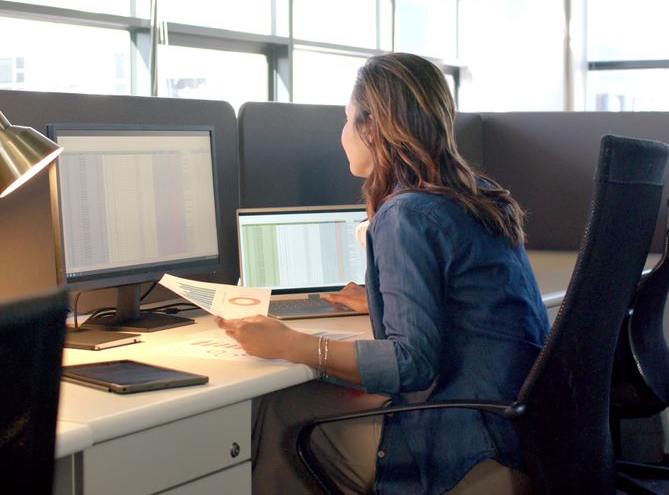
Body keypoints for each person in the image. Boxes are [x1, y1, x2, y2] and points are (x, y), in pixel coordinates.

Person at [216, 52, 550, 494]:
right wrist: (379, 298)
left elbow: (413, 365)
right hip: (522, 427)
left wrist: (293, 344)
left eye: (348, 119)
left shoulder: (406, 214)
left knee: (278, 409)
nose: (343, 134)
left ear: (372, 127)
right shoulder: (478, 194)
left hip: (465, 441)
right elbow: (466, 305)